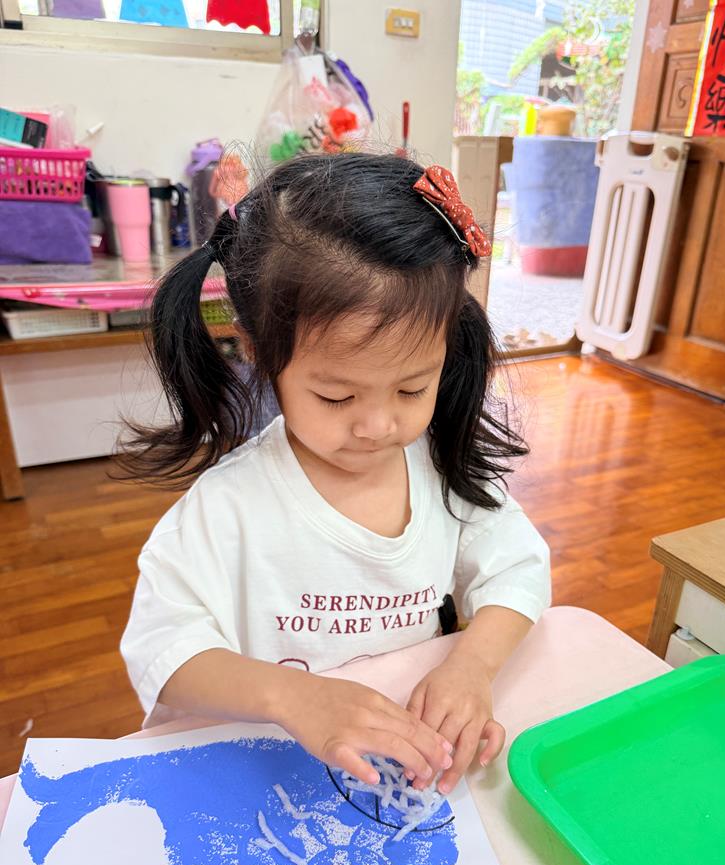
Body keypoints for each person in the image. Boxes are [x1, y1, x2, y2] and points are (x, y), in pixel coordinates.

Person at [119, 153, 550, 797]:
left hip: (399, 769)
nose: (378, 426)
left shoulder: (441, 470)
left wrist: (472, 667)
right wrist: (294, 697)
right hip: (272, 768)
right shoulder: (228, 507)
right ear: (258, 350)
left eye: (412, 388)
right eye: (337, 397)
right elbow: (162, 650)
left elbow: (518, 567)